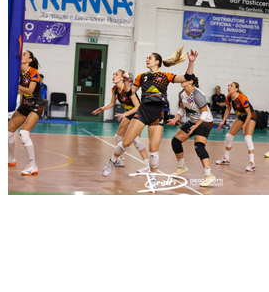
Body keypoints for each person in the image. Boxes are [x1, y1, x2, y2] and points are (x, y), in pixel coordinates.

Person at [102, 46, 199, 192]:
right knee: (126, 142)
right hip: (143, 111)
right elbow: (129, 93)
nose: (147, 59)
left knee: (153, 150)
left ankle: (153, 179)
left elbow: (187, 78)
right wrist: (127, 81)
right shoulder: (142, 76)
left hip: (158, 113)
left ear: (157, 62)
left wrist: (191, 62)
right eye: (147, 58)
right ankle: (111, 162)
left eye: (150, 58)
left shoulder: (165, 75)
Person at [92, 70, 149, 172]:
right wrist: (102, 108)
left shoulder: (128, 89)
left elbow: (138, 106)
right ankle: (120, 160)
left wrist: (124, 114)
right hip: (129, 113)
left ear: (123, 78)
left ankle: (148, 165)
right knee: (118, 137)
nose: (113, 76)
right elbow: (112, 103)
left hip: (139, 114)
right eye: (113, 74)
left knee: (136, 140)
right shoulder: (115, 89)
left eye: (116, 75)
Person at [167, 74, 216, 187]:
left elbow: (205, 112)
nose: (182, 80)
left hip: (205, 121)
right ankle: (181, 167)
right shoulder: (181, 94)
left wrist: (196, 126)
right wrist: (175, 119)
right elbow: (182, 110)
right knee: (175, 141)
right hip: (193, 122)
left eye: (185, 79)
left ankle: (208, 175)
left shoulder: (197, 94)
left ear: (191, 81)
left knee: (199, 146)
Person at [8, 51, 43, 176]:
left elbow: (29, 90)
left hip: (36, 106)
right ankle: (11, 159)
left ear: (29, 60)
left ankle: (33, 166)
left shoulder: (34, 72)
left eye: (24, 54)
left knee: (23, 133)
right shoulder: (17, 71)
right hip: (25, 105)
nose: (21, 55)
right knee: (9, 131)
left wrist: (14, 85)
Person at [216, 82, 257, 172]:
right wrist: (223, 121)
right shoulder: (229, 97)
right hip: (241, 116)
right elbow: (228, 109)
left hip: (251, 116)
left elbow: (249, 113)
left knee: (247, 138)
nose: (229, 87)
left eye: (231, 86)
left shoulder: (242, 98)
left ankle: (252, 164)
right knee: (229, 136)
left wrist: (244, 125)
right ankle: (226, 158)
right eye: (228, 86)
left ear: (236, 89)